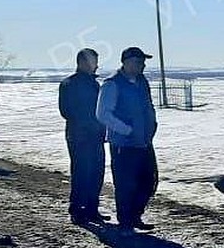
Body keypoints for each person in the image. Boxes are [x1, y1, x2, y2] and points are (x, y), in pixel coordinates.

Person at [97, 47, 158, 232]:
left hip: (144, 141)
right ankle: (125, 221)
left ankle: (135, 215)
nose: (143, 65)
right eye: (139, 62)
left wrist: (152, 124)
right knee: (126, 184)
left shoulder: (141, 82)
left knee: (148, 181)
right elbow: (102, 114)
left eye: (143, 62)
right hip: (123, 144)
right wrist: (126, 130)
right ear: (127, 62)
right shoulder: (112, 84)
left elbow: (148, 106)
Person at [58, 48, 108, 225]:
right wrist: (87, 123)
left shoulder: (95, 84)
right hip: (79, 136)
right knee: (81, 172)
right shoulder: (69, 84)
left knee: (97, 172)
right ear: (82, 63)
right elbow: (66, 110)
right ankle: (77, 208)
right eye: (93, 61)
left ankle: (92, 208)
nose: (96, 65)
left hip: (96, 135)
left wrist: (101, 127)